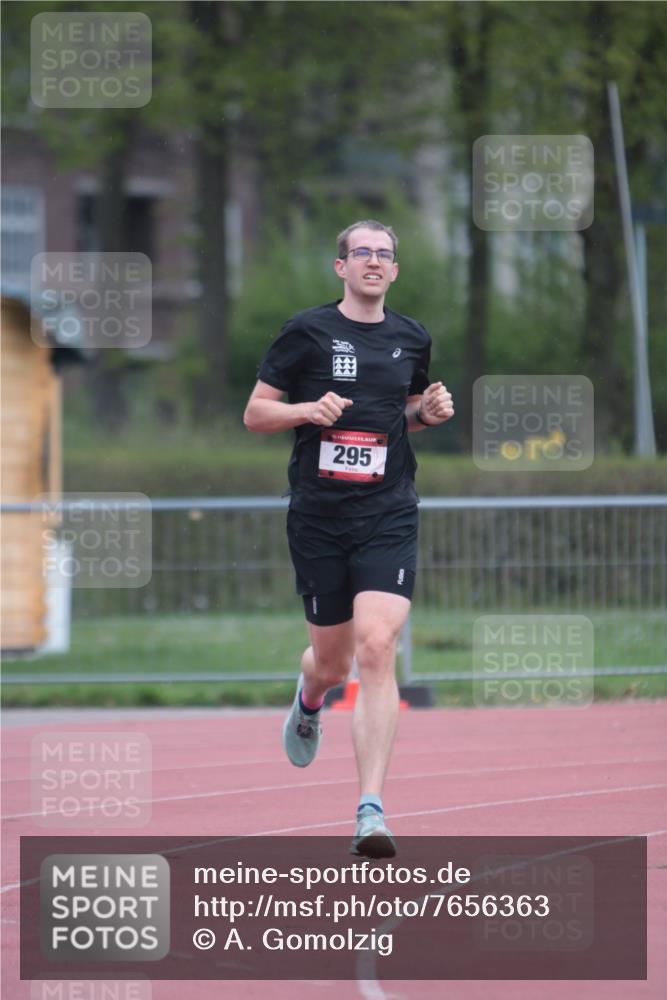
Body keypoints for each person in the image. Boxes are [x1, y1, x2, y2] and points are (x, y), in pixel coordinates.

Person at [243, 220, 454, 857]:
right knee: (332, 664)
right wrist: (307, 410)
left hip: (388, 510)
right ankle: (310, 699)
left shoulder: (411, 337)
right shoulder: (306, 331)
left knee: (378, 645)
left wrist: (426, 414)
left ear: (395, 270)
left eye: (384, 254)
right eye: (362, 252)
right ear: (341, 266)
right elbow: (256, 413)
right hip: (319, 516)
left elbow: (402, 415)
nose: (373, 262)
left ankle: (370, 811)